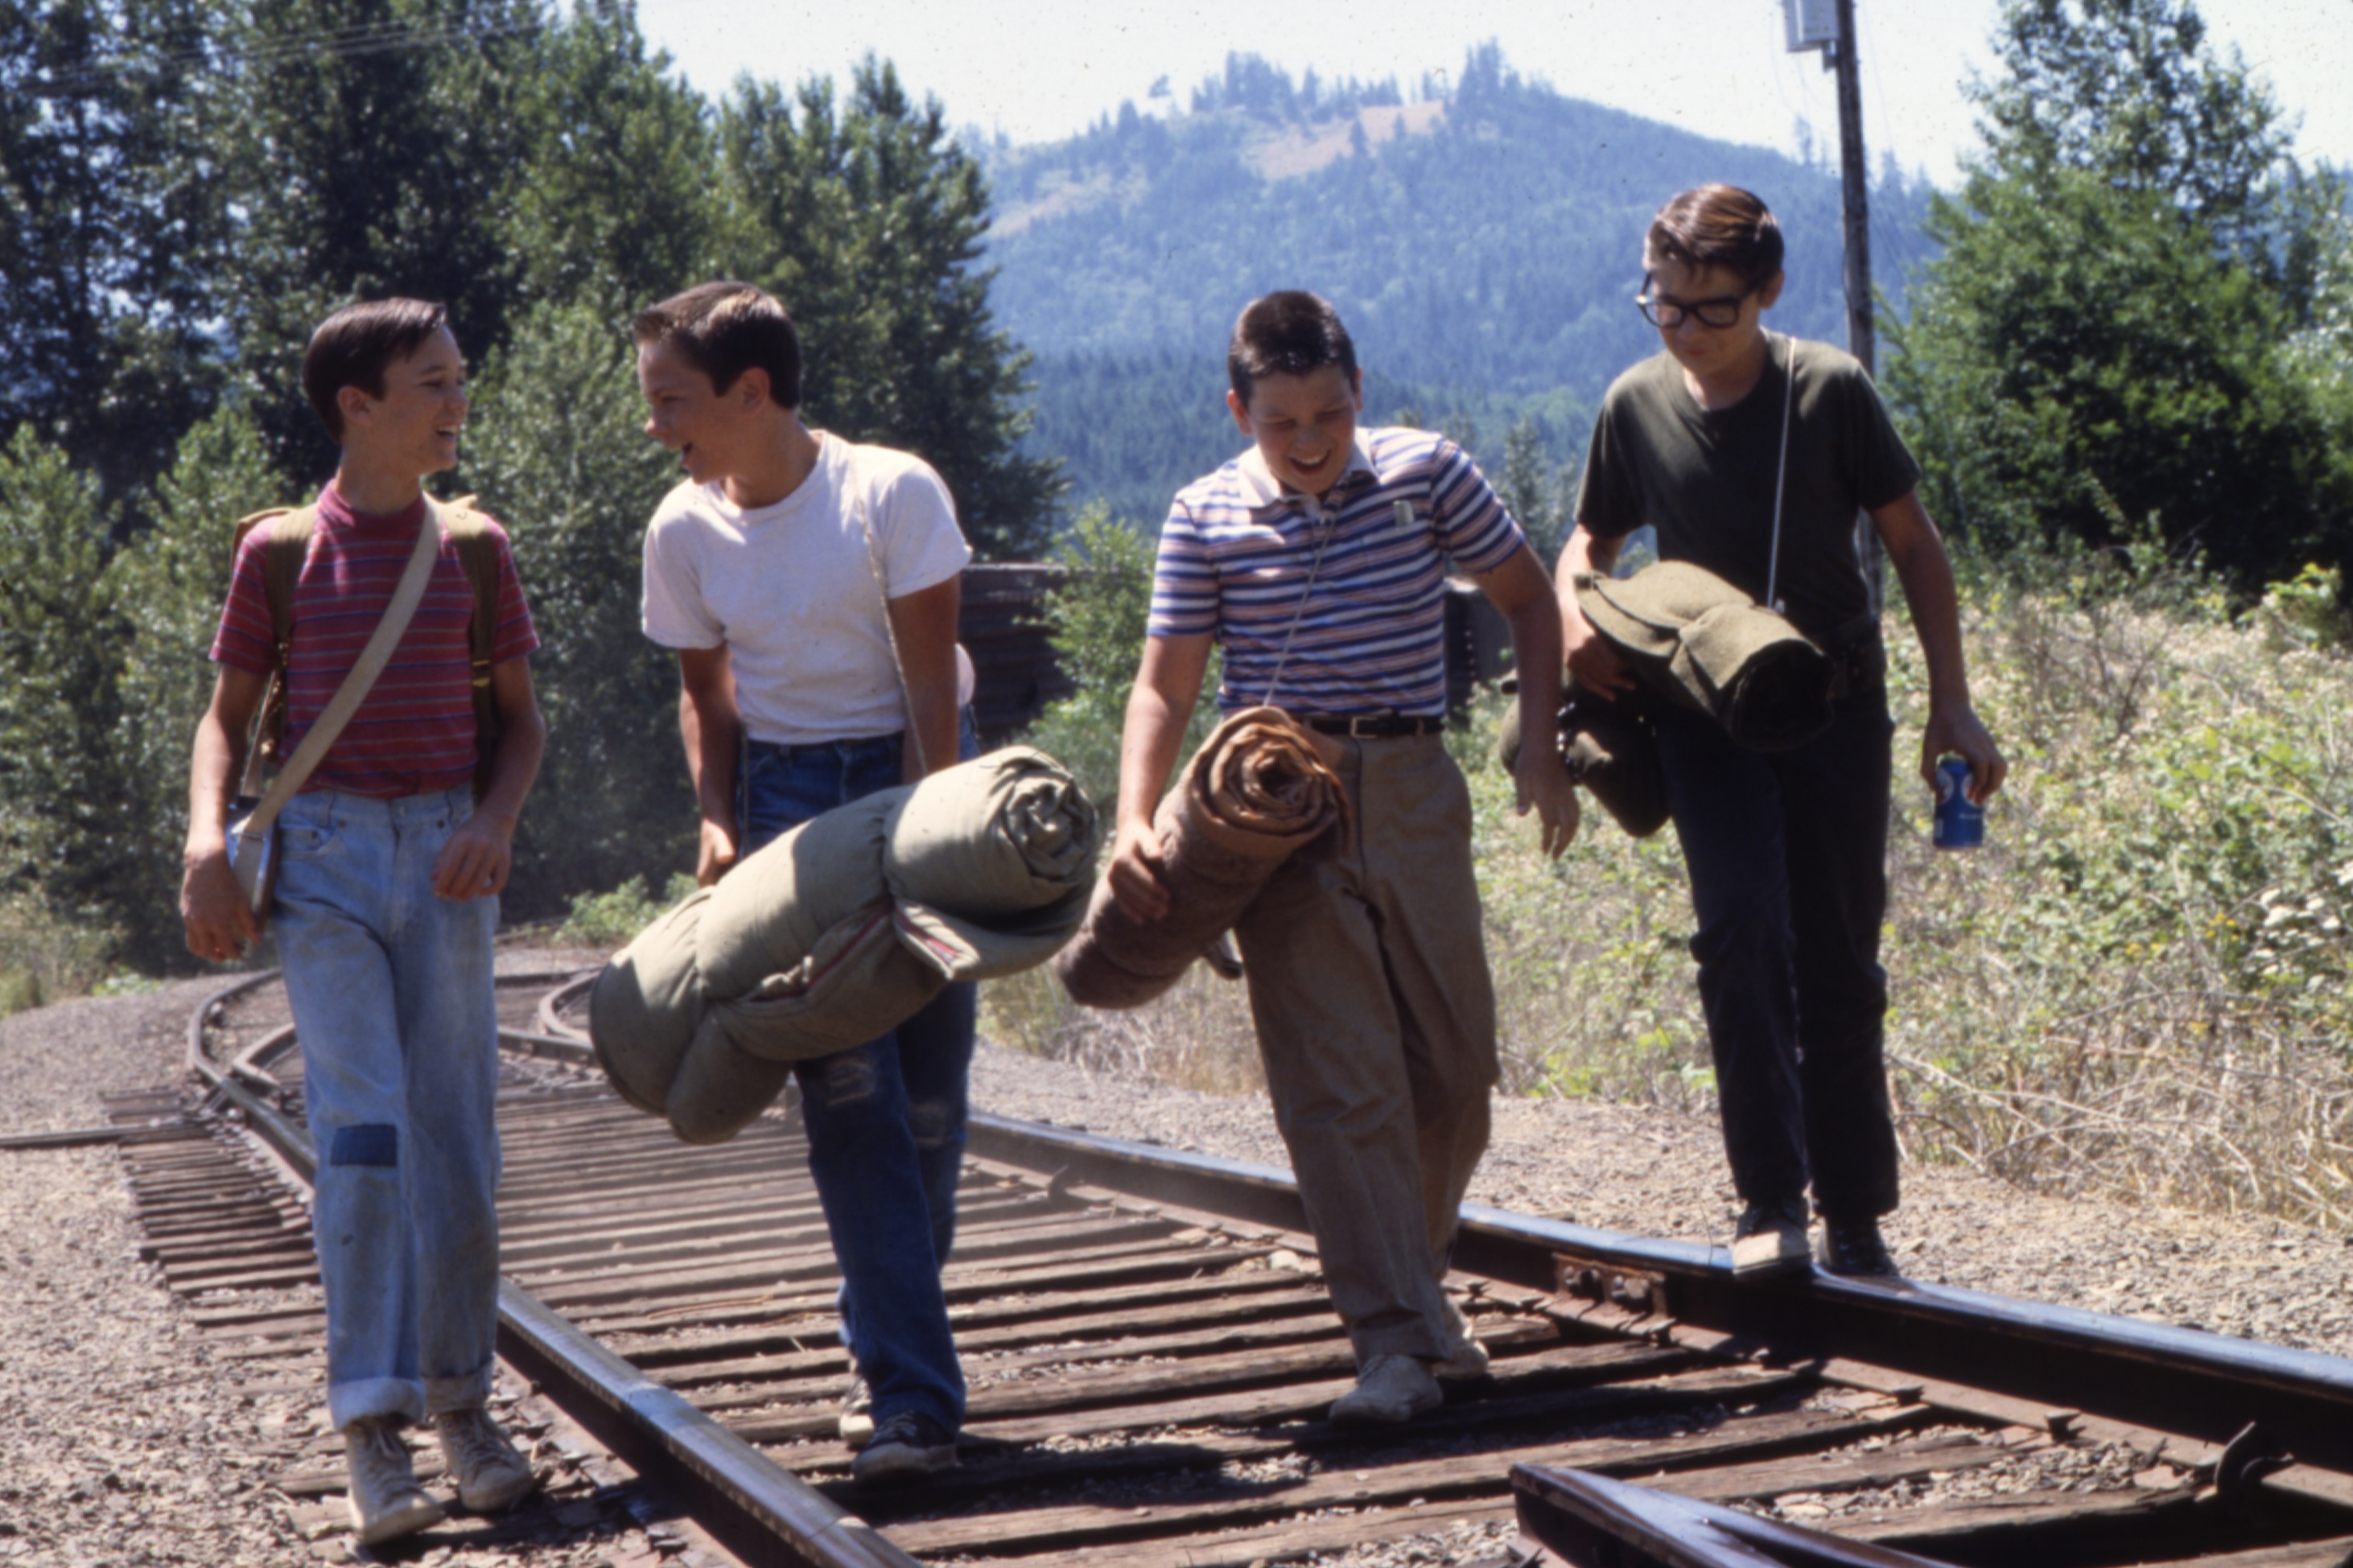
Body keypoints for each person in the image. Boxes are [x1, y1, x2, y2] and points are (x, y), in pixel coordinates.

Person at [1108, 290, 1579, 1425]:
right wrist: (1133, 819)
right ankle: (1393, 1342)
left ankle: (1410, 1297)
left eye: (1328, 413)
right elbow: (1164, 682)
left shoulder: (1429, 476)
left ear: (1359, 393)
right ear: (1239, 411)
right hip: (1278, 803)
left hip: (1415, 784)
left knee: (1455, 1071)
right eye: (1281, 423)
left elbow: (1528, 601)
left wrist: (1541, 749)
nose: (1310, 440)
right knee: (1342, 1082)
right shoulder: (1203, 513)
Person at [1557, 184, 2007, 1278]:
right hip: (1709, 722)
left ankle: (1857, 1215)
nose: (1686, 332)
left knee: (1839, 960)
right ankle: (1771, 1204)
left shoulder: (1829, 391)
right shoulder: (1634, 404)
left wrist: (1952, 701)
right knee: (1741, 937)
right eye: (1663, 307)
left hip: (1842, 710)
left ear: (1767, 290)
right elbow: (1588, 542)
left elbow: (1915, 545)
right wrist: (1576, 615)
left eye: (1712, 310)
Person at [179, 298, 547, 1545]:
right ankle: (372, 1434)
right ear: (359, 405)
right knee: (367, 1135)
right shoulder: (281, 552)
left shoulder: (479, 548)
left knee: (459, 1143)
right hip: (328, 860)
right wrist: (204, 842)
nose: (457, 402)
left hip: (448, 859)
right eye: (435, 384)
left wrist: (494, 819)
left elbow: (525, 724)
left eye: (460, 380)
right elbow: (227, 720)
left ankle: (466, 1413)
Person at [633, 281, 978, 1486]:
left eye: (670, 400)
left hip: (913, 770)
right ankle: (912, 1400)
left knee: (929, 1097)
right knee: (849, 1099)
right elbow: (705, 692)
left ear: (752, 391)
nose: (654, 426)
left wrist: (939, 841)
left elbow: (930, 685)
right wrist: (720, 816)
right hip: (785, 804)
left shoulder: (889, 490)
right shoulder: (681, 527)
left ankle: (888, 1340)